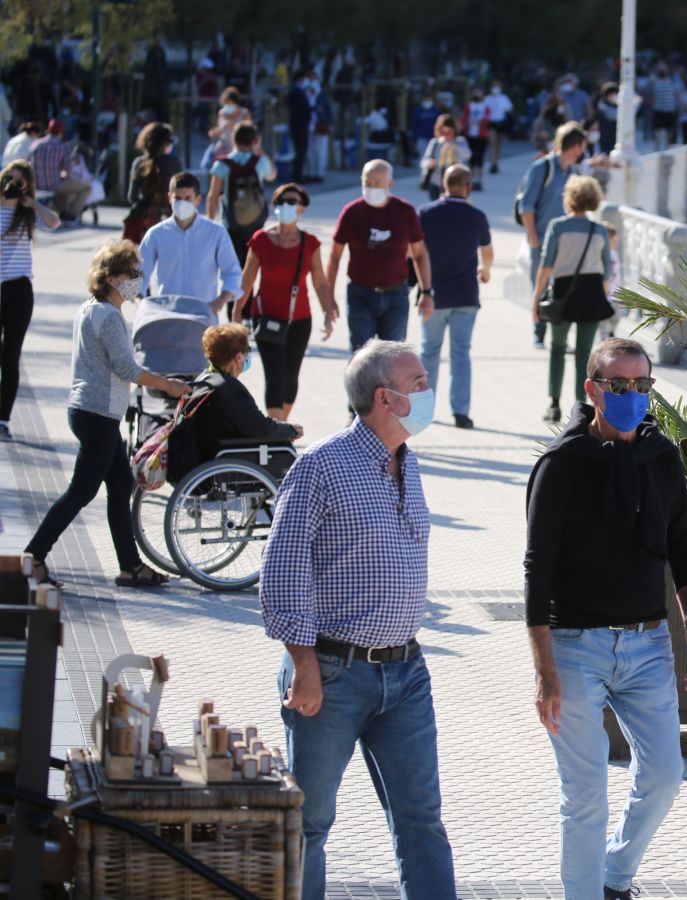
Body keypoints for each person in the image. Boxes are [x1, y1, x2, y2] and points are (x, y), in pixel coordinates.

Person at [260, 340, 456, 900]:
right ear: (384, 398)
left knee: (422, 819)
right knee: (310, 821)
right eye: (418, 382)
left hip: (406, 673)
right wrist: (303, 666)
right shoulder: (320, 466)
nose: (428, 391)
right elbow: (281, 571)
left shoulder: (407, 462)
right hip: (332, 673)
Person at [524, 337, 687, 900]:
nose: (632, 394)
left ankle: (614, 874)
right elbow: (537, 569)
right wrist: (545, 670)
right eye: (619, 384)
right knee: (585, 797)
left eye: (642, 384)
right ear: (593, 389)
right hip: (574, 646)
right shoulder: (561, 465)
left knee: (665, 776)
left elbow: (682, 545)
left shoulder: (662, 458)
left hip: (647, 643)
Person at [24, 240, 190, 588]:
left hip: (92, 411)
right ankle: (33, 557)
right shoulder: (109, 316)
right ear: (113, 278)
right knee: (81, 491)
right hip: (97, 413)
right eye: (133, 273)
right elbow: (126, 368)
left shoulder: (91, 309)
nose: (139, 279)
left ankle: (130, 566)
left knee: (119, 483)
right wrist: (169, 386)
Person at [234, 183, 335, 421]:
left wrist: (328, 312)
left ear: (301, 209)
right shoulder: (260, 240)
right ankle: (276, 428)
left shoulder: (310, 243)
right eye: (281, 202)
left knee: (290, 377)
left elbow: (320, 282)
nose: (286, 206)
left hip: (299, 320)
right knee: (274, 376)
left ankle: (282, 423)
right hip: (266, 318)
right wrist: (237, 313)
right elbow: (247, 280)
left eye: (292, 202)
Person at [168, 323, 301, 483]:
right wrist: (290, 430)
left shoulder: (205, 378)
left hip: (206, 452)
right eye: (247, 351)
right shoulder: (229, 388)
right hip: (226, 456)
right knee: (285, 449)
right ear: (238, 357)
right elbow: (259, 427)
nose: (247, 356)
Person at [326, 160, 432, 352]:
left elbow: (419, 253)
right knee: (361, 356)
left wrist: (426, 292)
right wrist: (329, 297)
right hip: (360, 294)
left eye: (377, 182)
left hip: (396, 295)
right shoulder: (352, 212)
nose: (371, 187)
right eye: (367, 182)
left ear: (390, 184)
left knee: (392, 357)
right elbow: (334, 256)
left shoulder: (404, 211)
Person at [532, 176, 612, 424]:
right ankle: (581, 406)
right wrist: (604, 297)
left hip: (563, 291)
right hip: (592, 292)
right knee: (584, 353)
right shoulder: (599, 230)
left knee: (557, 348)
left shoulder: (557, 226)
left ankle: (554, 403)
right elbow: (607, 272)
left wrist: (536, 298)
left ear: (570, 198)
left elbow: (546, 265)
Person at [417, 165, 492, 429]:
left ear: (443, 185)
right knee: (461, 353)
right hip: (466, 295)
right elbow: (487, 252)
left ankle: (423, 410)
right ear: (468, 187)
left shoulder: (425, 213)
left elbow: (414, 251)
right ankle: (461, 412)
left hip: (433, 294)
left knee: (429, 352)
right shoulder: (477, 216)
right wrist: (485, 270)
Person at [0, 161, 60, 441]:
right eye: (8, 179)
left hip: (19, 290)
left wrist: (30, 201)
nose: (11, 185)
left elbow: (54, 221)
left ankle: (3, 419)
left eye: (18, 181)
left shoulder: (27, 214)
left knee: (10, 356)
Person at [139, 172, 241, 317]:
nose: (182, 203)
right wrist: (139, 303)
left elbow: (232, 272)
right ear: (169, 198)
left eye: (187, 198)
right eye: (178, 198)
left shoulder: (216, 232)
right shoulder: (156, 234)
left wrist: (219, 302)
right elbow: (138, 272)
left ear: (198, 200)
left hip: (203, 316)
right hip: (167, 316)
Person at [521, 123, 586, 349]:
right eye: (582, 146)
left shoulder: (574, 173)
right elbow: (526, 205)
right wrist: (532, 236)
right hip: (541, 239)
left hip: (567, 242)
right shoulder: (542, 168)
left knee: (563, 288)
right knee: (540, 286)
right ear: (575, 146)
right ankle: (539, 332)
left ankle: (559, 336)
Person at [207, 122, 276, 266]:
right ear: (254, 140)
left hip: (231, 222)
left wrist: (211, 223)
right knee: (251, 264)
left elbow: (212, 197)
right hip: (255, 221)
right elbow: (272, 175)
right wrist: (260, 149)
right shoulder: (260, 162)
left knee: (234, 265)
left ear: (234, 138)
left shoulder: (222, 165)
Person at [123, 121, 182, 244]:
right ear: (166, 144)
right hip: (168, 218)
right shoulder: (175, 163)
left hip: (143, 220)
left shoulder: (139, 163)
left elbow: (132, 197)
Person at [30, 119, 90, 222]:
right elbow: (68, 171)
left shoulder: (36, 144)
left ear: (48, 130)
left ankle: (61, 211)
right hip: (54, 185)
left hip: (36, 184)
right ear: (61, 132)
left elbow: (28, 163)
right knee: (86, 187)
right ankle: (71, 214)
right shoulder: (62, 146)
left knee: (64, 190)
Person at [419, 114, 470, 201]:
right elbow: (423, 161)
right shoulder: (435, 143)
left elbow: (467, 155)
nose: (446, 135)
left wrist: (455, 147)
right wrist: (428, 163)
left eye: (449, 132)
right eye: (443, 132)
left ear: (454, 131)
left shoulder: (460, 141)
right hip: (436, 182)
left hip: (455, 184)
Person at [204, 87, 251, 166]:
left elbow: (249, 130)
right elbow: (219, 128)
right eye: (226, 103)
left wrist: (235, 126)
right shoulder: (222, 113)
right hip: (223, 147)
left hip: (239, 147)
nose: (228, 105)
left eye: (230, 102)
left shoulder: (244, 113)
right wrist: (214, 132)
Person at [305, 77, 333, 184]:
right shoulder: (307, 96)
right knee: (310, 152)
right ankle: (310, 173)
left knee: (320, 151)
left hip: (321, 126)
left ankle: (319, 174)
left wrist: (330, 123)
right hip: (309, 127)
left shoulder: (322, 96)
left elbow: (328, 111)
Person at [286, 74, 312, 183]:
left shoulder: (297, 91)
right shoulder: (296, 91)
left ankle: (299, 175)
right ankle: (298, 176)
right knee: (300, 151)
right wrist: (311, 108)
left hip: (299, 124)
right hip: (299, 125)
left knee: (300, 151)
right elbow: (303, 107)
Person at [462, 90, 490, 191]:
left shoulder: (485, 106)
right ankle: (471, 180)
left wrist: (481, 121)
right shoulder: (469, 105)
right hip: (470, 135)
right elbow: (464, 119)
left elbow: (487, 119)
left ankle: (479, 180)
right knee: (471, 158)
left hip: (481, 135)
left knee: (480, 158)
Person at [484, 82, 514, 174]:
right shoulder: (487, 99)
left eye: (497, 86)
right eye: (494, 86)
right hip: (491, 122)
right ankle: (492, 163)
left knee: (498, 144)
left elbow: (509, 109)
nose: (495, 88)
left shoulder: (504, 98)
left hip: (501, 122)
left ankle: (496, 163)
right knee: (492, 143)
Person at [650, 65, 680, 150]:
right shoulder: (672, 83)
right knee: (669, 129)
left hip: (658, 109)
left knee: (657, 129)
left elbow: (653, 97)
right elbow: (677, 96)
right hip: (670, 110)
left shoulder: (655, 84)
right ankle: (668, 146)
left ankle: (658, 146)